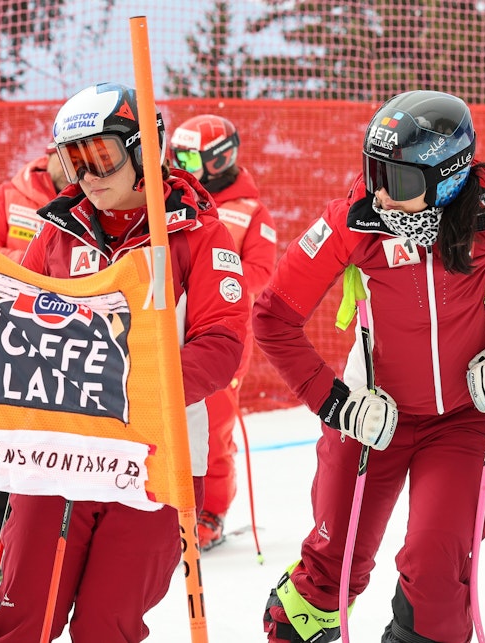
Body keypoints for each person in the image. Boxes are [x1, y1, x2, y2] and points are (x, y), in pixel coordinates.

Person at [253, 90, 485, 643]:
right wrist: (337, 403)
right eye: (374, 170)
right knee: (330, 568)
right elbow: (273, 316)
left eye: (398, 179)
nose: (379, 192)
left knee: (438, 575)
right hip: (372, 422)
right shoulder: (355, 219)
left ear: (447, 176)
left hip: (464, 422)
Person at [0, 82, 248, 642]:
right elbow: (11, 322)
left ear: (142, 150)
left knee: (109, 624)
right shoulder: (58, 231)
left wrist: (130, 385)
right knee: (23, 616)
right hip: (61, 455)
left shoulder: (197, 232)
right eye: (73, 160)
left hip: (156, 460)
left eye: (101, 155)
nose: (89, 174)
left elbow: (222, 346)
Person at [169, 114, 277, 551]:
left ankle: (210, 509)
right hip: (171, 324)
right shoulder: (174, 199)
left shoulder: (250, 212)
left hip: (220, 333)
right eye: (177, 155)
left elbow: (260, 273)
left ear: (219, 159)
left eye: (190, 156)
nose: (181, 164)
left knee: (212, 425)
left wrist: (208, 284)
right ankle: (168, 505)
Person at [0, 140, 69, 585]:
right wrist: (35, 271)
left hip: (67, 354)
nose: (76, 168)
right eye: (68, 156)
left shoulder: (98, 203)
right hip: (9, 342)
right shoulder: (14, 194)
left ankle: (39, 547)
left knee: (54, 456)